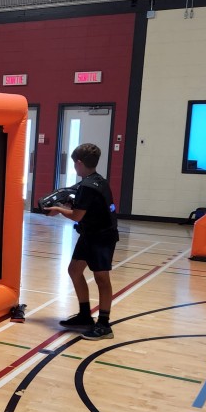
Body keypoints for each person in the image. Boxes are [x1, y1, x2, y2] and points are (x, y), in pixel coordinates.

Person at [46, 142, 120, 340]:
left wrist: (59, 210)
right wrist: (68, 202)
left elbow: (77, 215)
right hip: (90, 234)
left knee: (102, 279)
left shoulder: (88, 186)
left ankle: (104, 325)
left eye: (74, 164)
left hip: (102, 237)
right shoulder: (97, 180)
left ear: (78, 163)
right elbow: (86, 207)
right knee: (74, 270)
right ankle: (85, 315)